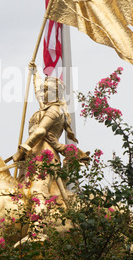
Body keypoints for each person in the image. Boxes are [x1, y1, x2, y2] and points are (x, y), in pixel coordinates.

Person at [13, 62, 89, 199]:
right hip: (32, 154)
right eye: (44, 90)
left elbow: (41, 131)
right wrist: (35, 73)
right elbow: (37, 91)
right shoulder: (45, 107)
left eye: (46, 90)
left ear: (56, 93)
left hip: (45, 156)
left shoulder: (55, 110)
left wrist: (22, 149)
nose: (43, 93)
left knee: (37, 192)